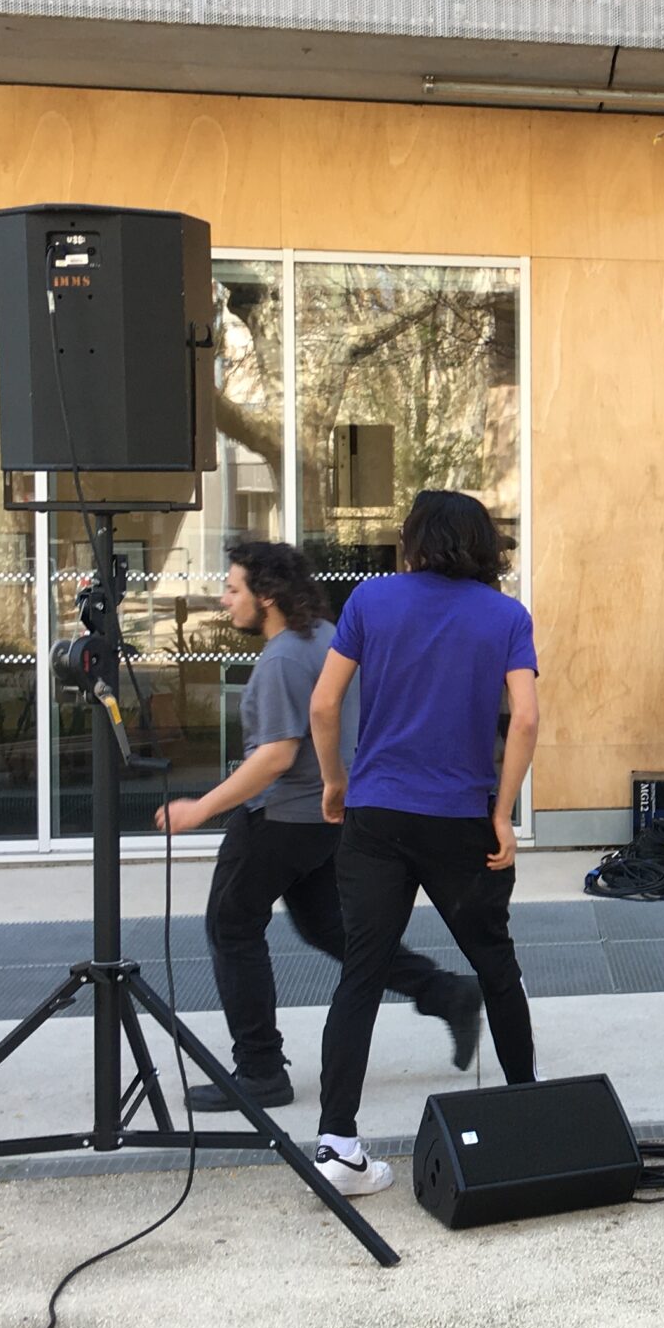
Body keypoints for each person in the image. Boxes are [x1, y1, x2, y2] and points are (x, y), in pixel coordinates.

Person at [155, 540, 481, 1112]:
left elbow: (277, 755)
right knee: (328, 928)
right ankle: (446, 991)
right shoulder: (327, 638)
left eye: (233, 589)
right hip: (330, 816)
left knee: (232, 925)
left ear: (268, 596)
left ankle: (259, 1071)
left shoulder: (282, 657)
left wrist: (200, 809)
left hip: (283, 817)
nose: (225, 600)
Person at [305, 491, 541, 1198]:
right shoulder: (505, 616)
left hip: (376, 813)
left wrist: (334, 781)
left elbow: (322, 704)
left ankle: (338, 1145)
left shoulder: (370, 603)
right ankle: (528, 1112)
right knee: (495, 965)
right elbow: (524, 720)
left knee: (361, 973)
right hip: (460, 819)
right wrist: (503, 812)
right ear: (483, 546)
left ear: (411, 540)